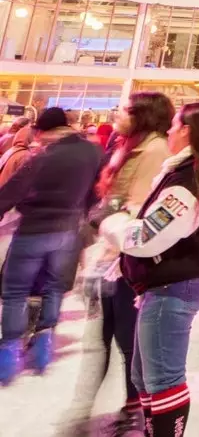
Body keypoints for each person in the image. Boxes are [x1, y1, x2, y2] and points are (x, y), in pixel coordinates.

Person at [98, 102, 199, 437]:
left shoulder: (188, 180)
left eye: (175, 125)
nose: (170, 131)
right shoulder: (187, 172)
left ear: (187, 130)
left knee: (162, 379)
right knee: (143, 376)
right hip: (169, 283)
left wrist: (113, 223)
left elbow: (146, 237)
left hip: (174, 286)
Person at [71, 92, 175, 436]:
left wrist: (109, 237)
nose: (118, 112)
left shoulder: (155, 149)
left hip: (124, 259)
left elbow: (139, 209)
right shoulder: (130, 145)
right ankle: (105, 403)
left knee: (127, 338)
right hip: (109, 250)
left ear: (142, 116)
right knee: (106, 334)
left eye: (126, 109)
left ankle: (136, 405)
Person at [0, 107, 102, 384]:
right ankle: (43, 347)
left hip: (34, 231)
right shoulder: (93, 152)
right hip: (68, 232)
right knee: (53, 288)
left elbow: (12, 192)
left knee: (15, 292)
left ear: (46, 131)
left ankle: (8, 355)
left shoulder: (43, 157)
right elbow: (98, 189)